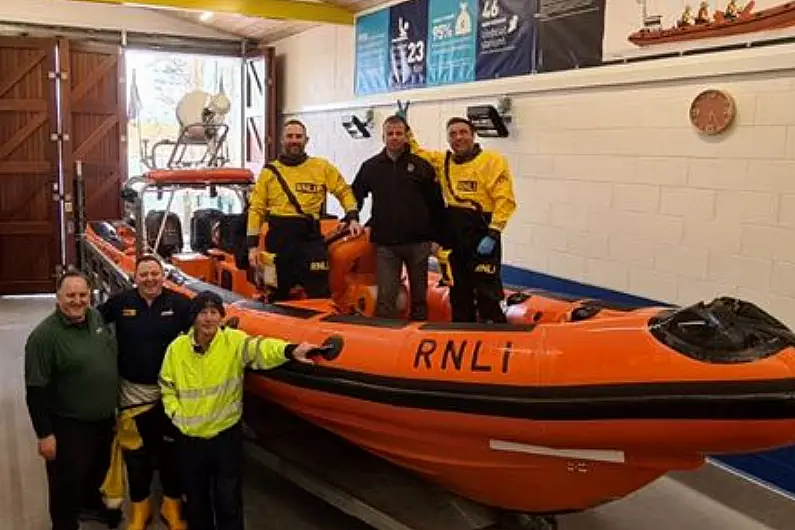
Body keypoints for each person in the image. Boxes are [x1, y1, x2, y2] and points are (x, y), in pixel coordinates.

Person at [159, 290, 323, 530]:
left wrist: (291, 351)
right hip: (190, 439)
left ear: (221, 317)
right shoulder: (177, 349)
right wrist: (177, 415)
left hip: (224, 438)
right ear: (194, 317)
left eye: (214, 312)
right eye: (203, 313)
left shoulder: (233, 342)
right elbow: (167, 385)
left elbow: (261, 350)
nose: (208, 319)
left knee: (229, 501)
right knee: (196, 501)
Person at [98, 254, 192, 530]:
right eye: (144, 274)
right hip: (132, 395)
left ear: (163, 275)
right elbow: (92, 323)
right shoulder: (121, 303)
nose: (150, 279)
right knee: (135, 456)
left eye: (155, 273)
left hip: (171, 394)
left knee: (171, 454)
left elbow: (205, 331)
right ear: (134, 277)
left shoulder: (180, 304)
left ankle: (171, 505)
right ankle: (140, 507)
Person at [24, 270, 120, 530]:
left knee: (96, 471)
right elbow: (35, 390)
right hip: (68, 424)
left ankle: (89, 506)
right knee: (66, 484)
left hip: (102, 419)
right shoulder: (44, 337)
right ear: (58, 297)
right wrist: (45, 434)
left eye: (82, 295)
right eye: (71, 295)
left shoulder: (95, 318)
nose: (77, 301)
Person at [404, 113, 517, 323]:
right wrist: (406, 129)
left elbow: (505, 200)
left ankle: (494, 336)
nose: (459, 138)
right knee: (459, 293)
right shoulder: (443, 161)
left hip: (482, 233)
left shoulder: (492, 161)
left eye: (463, 132)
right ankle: (461, 332)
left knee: (487, 294)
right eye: (453, 134)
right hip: (454, 235)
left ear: (473, 135)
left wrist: (494, 233)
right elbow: (418, 153)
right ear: (448, 139)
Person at [246, 119, 364, 301]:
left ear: (306, 140)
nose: (294, 140)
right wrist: (252, 246)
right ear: (282, 140)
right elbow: (256, 210)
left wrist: (353, 216)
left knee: (320, 289)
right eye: (290, 136)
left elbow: (344, 191)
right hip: (279, 240)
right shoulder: (269, 172)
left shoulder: (321, 167)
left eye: (298, 136)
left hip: (310, 238)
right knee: (278, 293)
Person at [351, 114, 445, 320]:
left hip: (418, 243)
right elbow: (355, 194)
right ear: (383, 137)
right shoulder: (371, 167)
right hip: (386, 244)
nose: (394, 137)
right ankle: (386, 340)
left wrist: (438, 239)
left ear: (406, 136)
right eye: (390, 134)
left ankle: (419, 335)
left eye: (399, 133)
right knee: (386, 297)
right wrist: (352, 218)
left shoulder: (422, 166)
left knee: (420, 296)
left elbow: (436, 205)